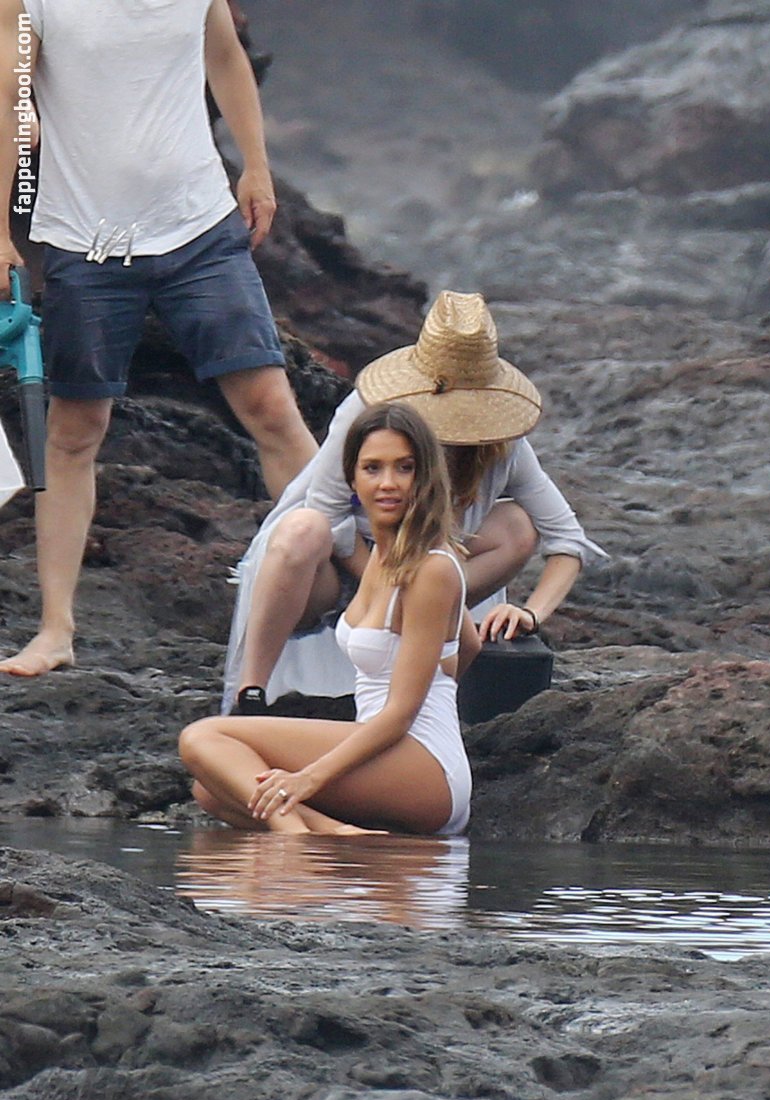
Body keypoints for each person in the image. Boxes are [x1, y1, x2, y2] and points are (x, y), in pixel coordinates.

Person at [0, 0, 317, 678]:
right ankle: (55, 630)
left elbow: (225, 56)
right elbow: (8, 101)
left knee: (271, 408)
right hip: (84, 242)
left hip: (200, 228)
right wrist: (0, 230)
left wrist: (255, 165)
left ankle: (356, 595)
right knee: (73, 431)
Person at [222, 290, 607, 713]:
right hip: (341, 569)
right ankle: (250, 691)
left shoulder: (501, 443)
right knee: (303, 528)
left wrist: (531, 614)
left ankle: (424, 653)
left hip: (426, 575)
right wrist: (383, 580)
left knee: (516, 524)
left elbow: (568, 539)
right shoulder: (371, 413)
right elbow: (327, 510)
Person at [180, 402, 477, 836]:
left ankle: (297, 839)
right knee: (213, 789)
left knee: (203, 739)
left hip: (425, 760)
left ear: (425, 476)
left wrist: (308, 779)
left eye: (405, 468)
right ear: (352, 479)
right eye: (372, 468)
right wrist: (442, 663)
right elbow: (468, 642)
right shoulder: (382, 555)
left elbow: (400, 713)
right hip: (381, 749)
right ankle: (336, 835)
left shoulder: (431, 567)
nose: (388, 483)